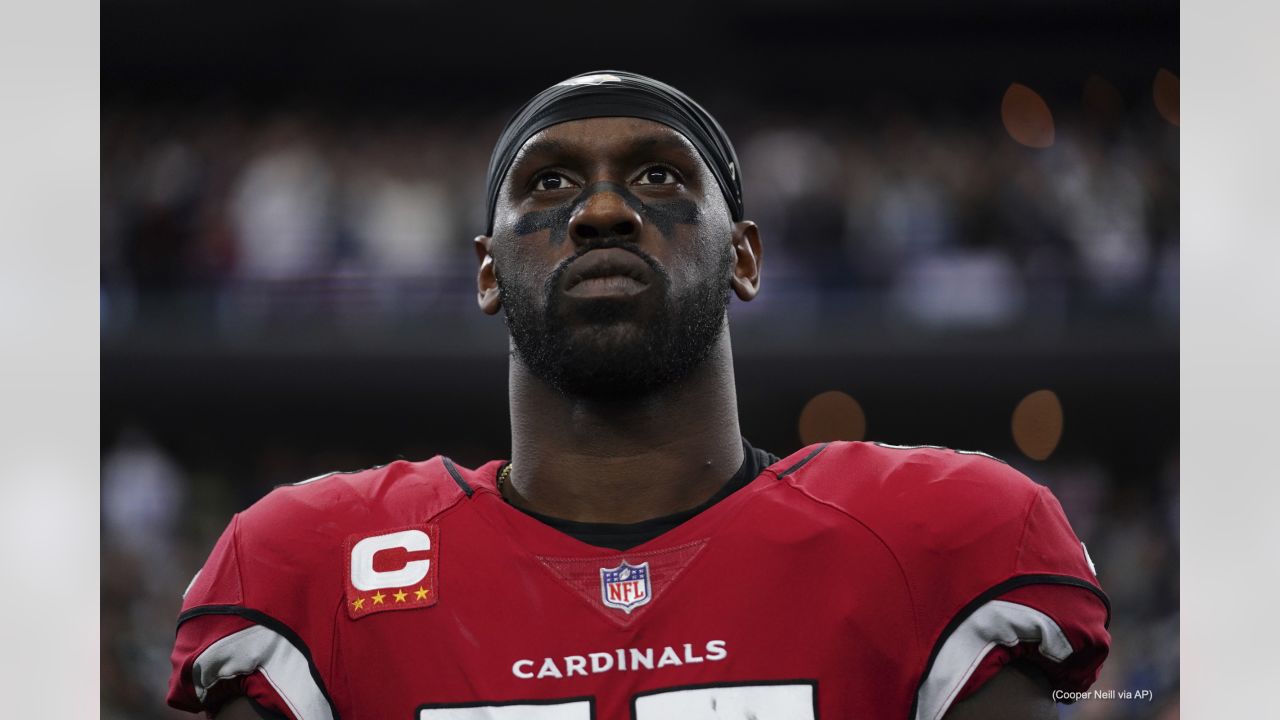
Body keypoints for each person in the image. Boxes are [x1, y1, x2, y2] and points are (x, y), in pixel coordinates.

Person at [167, 70, 1109, 720]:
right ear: (488, 274)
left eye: (658, 175)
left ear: (743, 256)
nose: (603, 210)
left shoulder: (941, 538)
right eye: (550, 183)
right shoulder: (311, 564)